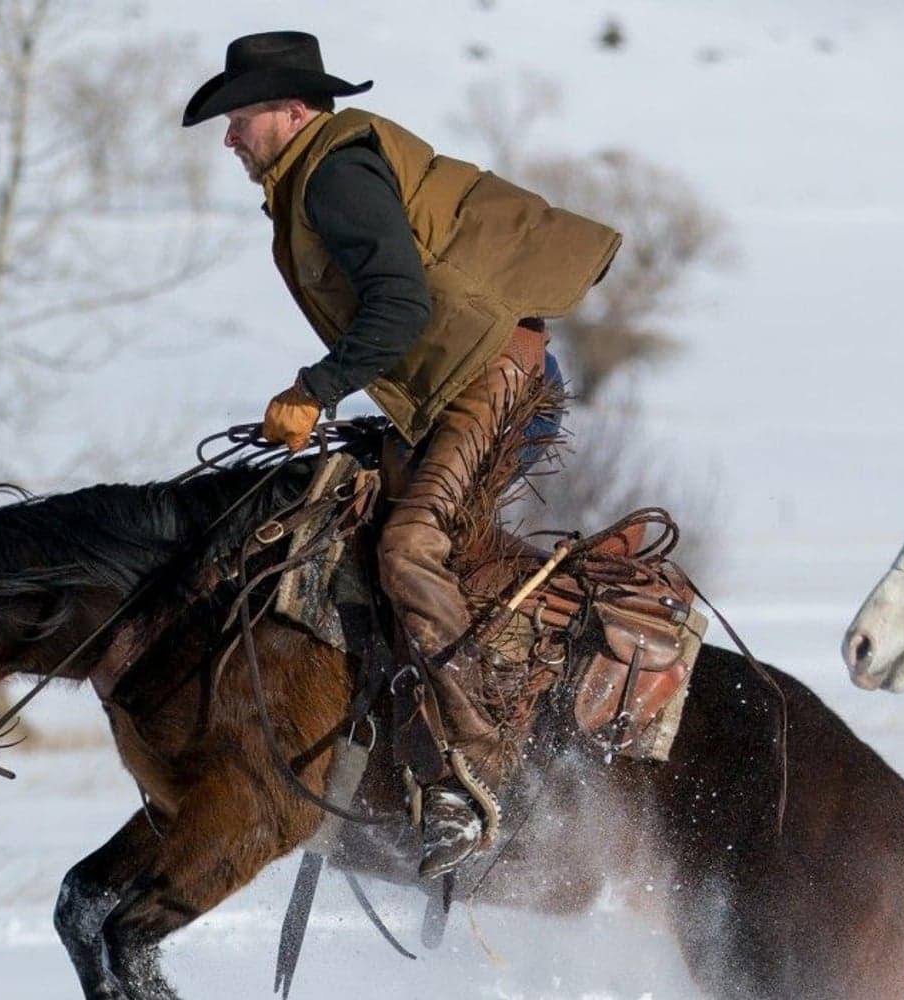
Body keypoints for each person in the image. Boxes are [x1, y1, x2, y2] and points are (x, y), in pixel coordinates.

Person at [183, 30, 620, 877]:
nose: (230, 137)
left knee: (411, 548)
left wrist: (315, 388)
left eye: (241, 118)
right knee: (341, 524)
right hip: (459, 383)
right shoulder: (316, 174)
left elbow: (400, 305)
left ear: (293, 111)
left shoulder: (335, 175)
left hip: (492, 381)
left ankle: (474, 772)